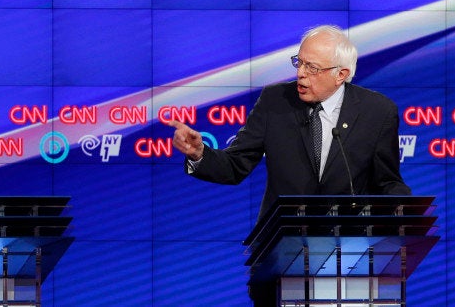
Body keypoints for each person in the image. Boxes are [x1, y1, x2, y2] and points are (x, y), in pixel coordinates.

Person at [169, 25, 411, 306]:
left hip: (349, 259)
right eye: (299, 62)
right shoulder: (275, 102)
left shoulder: (378, 112)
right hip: (281, 257)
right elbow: (235, 165)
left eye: (312, 67)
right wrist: (200, 154)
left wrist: (403, 218)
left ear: (341, 74)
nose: (301, 74)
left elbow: (387, 181)